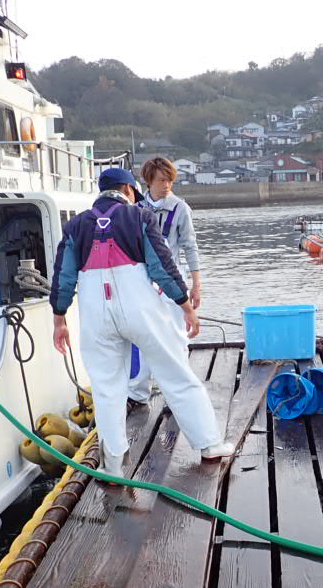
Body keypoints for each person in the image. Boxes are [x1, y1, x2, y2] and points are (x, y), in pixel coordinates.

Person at [50, 167, 233, 479]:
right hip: (140, 310)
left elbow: (64, 276)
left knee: (107, 390)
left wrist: (59, 319)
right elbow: (161, 266)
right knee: (176, 374)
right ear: (128, 190)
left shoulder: (75, 226)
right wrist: (186, 305)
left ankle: (113, 465)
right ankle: (209, 445)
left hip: (96, 314)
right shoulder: (139, 217)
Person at [129, 156, 202, 405]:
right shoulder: (135, 210)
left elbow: (190, 247)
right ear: (148, 181)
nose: (167, 185)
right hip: (143, 279)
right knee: (143, 335)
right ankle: (138, 393)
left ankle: (177, 395)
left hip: (172, 276)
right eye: (161, 180)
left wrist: (196, 284)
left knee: (177, 336)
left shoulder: (180, 208)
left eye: (170, 180)